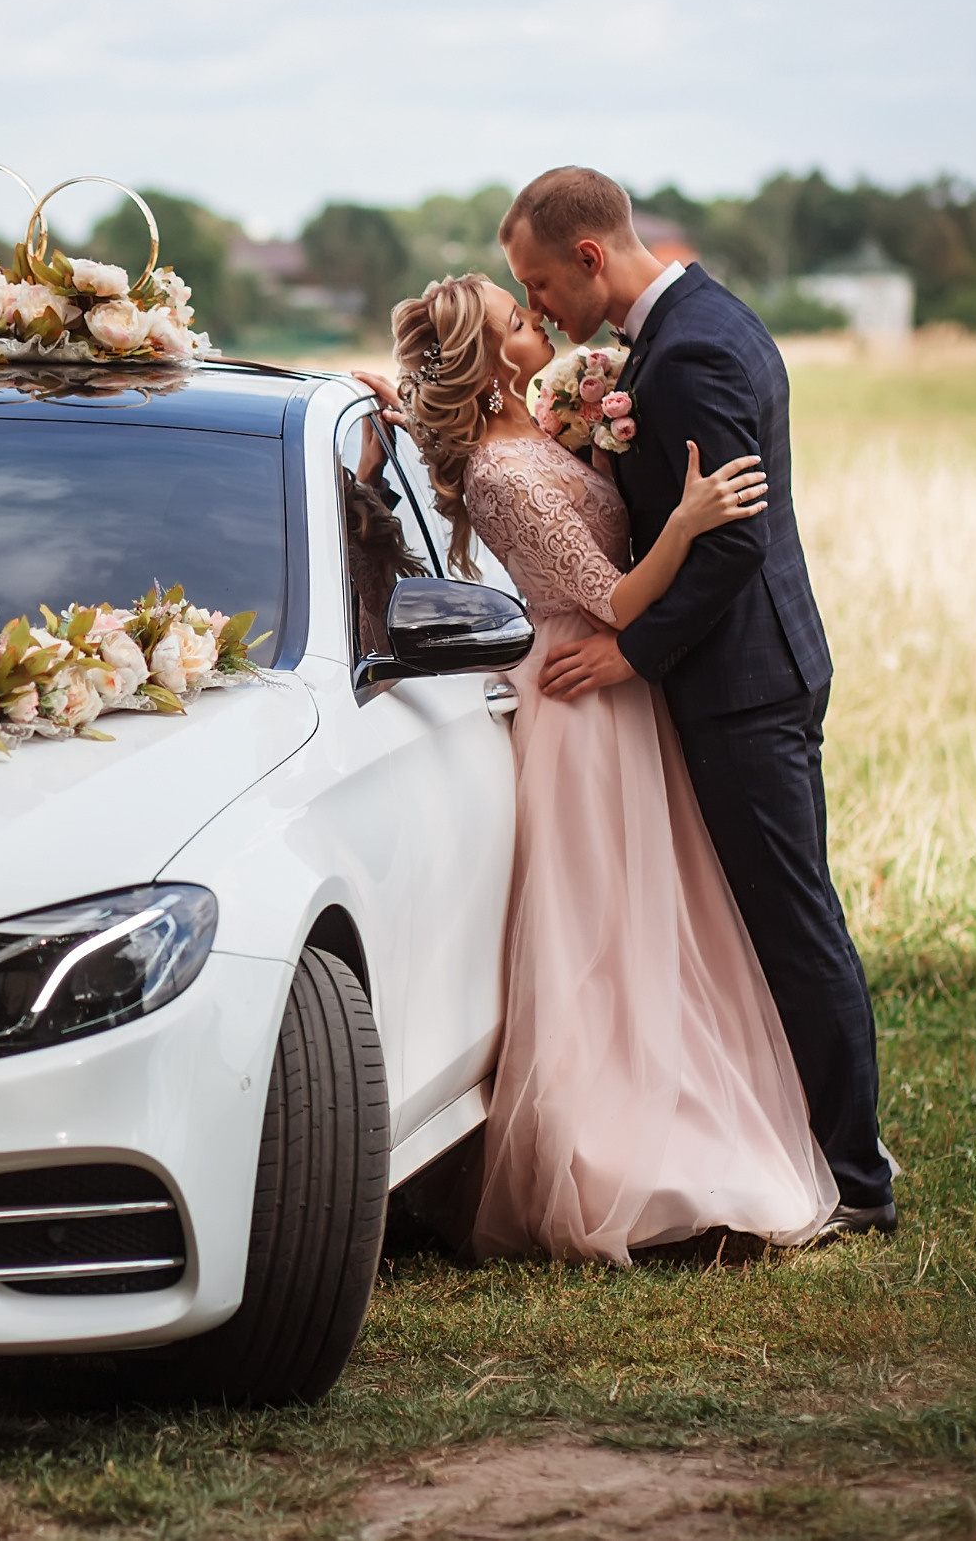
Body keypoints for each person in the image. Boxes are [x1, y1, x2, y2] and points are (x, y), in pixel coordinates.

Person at [357, 272, 837, 1262]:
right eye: (514, 317)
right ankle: (607, 1150)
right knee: (601, 923)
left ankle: (687, 1109)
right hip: (579, 697)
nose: (534, 319)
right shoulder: (498, 473)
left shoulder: (535, 429)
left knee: (660, 914)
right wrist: (688, 520)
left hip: (620, 693)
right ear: (493, 362)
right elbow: (612, 600)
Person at [495, 166, 896, 1242]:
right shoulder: (698, 321)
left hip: (740, 682)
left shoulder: (691, 352)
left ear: (590, 257)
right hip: (749, 670)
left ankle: (857, 1179)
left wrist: (631, 654)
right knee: (773, 920)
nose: (538, 307)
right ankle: (808, 1142)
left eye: (540, 283)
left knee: (792, 925)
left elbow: (732, 543)